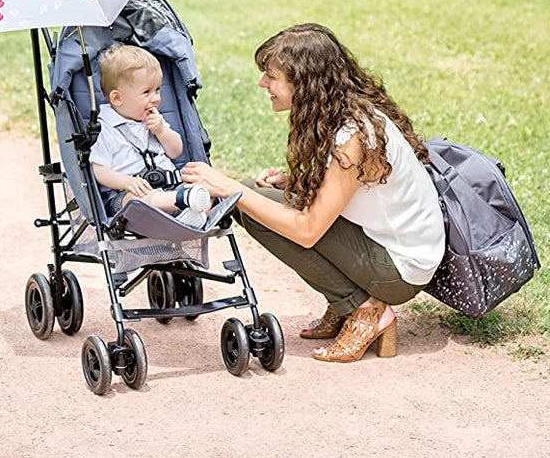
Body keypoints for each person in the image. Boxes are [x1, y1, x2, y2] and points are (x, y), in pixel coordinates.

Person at [183, 23, 445, 363]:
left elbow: (308, 230)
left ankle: (365, 310)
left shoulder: (353, 135)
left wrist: (227, 186)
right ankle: (350, 303)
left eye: (271, 76)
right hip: (390, 247)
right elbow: (355, 187)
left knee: (245, 200)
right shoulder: (338, 112)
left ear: (304, 83)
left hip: (400, 269)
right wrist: (290, 183)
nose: (263, 83)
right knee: (251, 195)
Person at [90, 44, 212, 228]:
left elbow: (176, 152)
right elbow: (98, 170)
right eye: (146, 92)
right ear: (117, 98)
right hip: (131, 196)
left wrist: (162, 131)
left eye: (157, 90)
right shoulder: (104, 129)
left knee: (206, 190)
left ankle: (189, 215)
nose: (155, 98)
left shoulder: (154, 119)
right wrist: (127, 182)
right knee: (136, 201)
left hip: (170, 186)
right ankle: (185, 203)